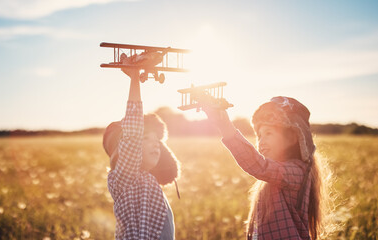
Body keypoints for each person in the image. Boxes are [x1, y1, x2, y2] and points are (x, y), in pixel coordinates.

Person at [203, 96, 332, 240]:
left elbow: (258, 165)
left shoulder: (297, 171)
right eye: (259, 135)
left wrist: (224, 125)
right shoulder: (274, 176)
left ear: (292, 138)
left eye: (269, 133)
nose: (261, 141)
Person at [103, 57, 180, 239]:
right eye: (146, 138)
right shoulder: (125, 179)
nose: (156, 144)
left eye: (157, 140)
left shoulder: (149, 181)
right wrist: (135, 79)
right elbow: (132, 133)